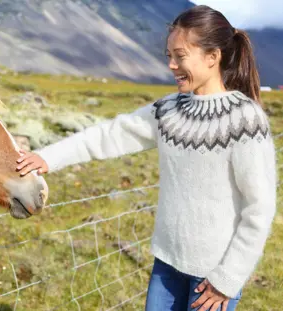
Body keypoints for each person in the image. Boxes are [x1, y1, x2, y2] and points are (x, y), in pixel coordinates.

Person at [15, 5, 277, 311]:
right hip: (166, 266)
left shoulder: (245, 120)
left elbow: (259, 208)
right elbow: (108, 135)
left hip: (214, 276)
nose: (171, 65)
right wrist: (48, 158)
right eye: (168, 56)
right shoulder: (168, 110)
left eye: (180, 56)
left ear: (212, 57)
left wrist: (228, 279)